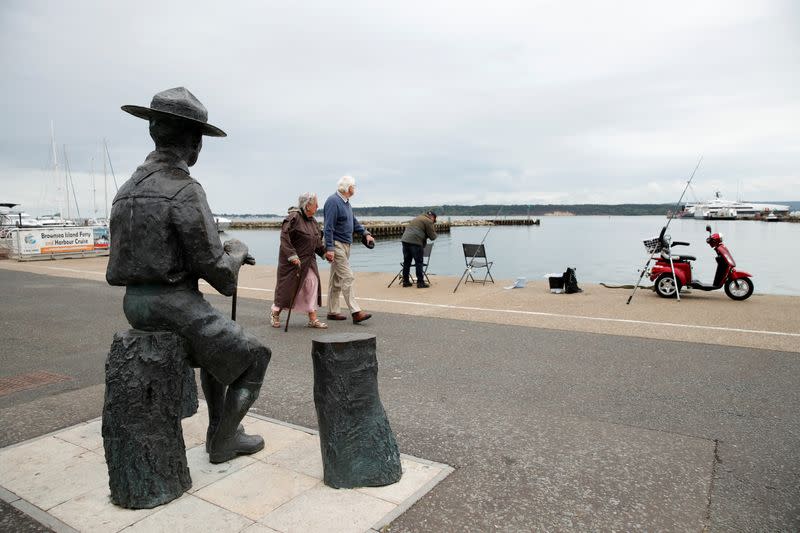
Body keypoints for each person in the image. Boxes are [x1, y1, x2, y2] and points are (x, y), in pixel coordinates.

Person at [106, 87, 271, 464]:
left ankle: (220, 427)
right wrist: (238, 251)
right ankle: (225, 440)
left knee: (218, 351)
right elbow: (221, 277)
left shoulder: (126, 190)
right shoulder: (184, 190)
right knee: (257, 355)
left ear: (153, 131)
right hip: (173, 305)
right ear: (195, 142)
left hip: (135, 304)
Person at [270, 193, 329, 329]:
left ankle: (313, 318)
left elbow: (317, 242)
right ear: (308, 205)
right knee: (288, 290)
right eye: (316, 204)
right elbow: (284, 238)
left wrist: (325, 253)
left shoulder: (313, 221)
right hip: (293, 263)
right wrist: (292, 256)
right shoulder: (294, 218)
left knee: (312, 283)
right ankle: (275, 312)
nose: (318, 207)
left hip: (309, 261)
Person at [322, 175, 375, 324]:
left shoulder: (346, 202)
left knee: (336, 279)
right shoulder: (333, 201)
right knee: (347, 276)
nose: (355, 188)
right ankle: (355, 311)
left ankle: (332, 311)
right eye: (354, 186)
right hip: (337, 244)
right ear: (347, 188)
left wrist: (365, 233)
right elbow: (328, 227)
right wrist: (330, 248)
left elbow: (353, 222)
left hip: (346, 244)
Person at [400, 210, 438, 288]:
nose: (434, 221)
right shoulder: (428, 221)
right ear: (432, 217)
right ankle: (420, 283)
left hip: (405, 240)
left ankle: (406, 281)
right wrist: (434, 231)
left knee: (407, 262)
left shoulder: (418, 218)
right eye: (435, 219)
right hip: (415, 242)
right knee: (419, 262)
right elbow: (433, 237)